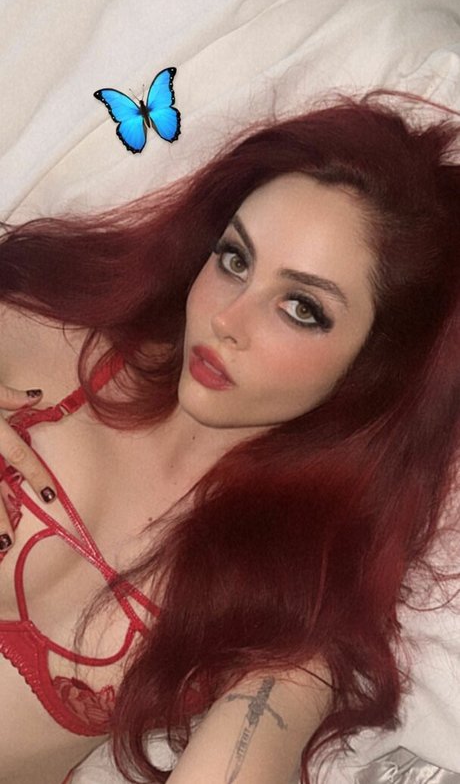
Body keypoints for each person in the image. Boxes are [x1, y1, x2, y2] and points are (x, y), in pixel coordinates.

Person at [0, 91, 458, 784]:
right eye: (236, 259)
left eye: (301, 307)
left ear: (375, 363)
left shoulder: (291, 599)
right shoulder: (51, 339)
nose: (226, 319)